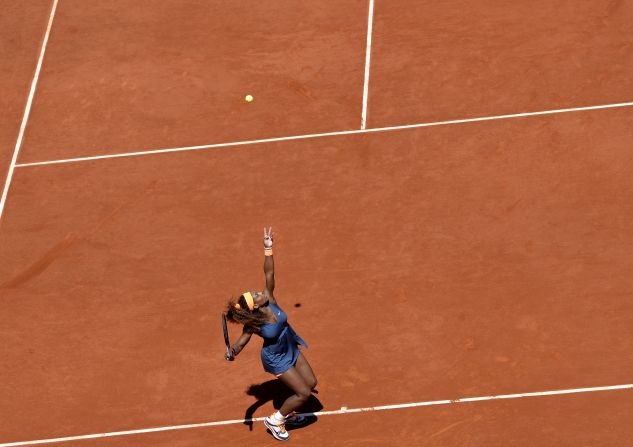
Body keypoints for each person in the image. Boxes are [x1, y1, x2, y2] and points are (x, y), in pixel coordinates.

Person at [224, 227, 317, 441]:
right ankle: (276, 420)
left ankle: (289, 411)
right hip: (276, 358)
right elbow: (240, 344)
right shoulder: (254, 325)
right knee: (303, 394)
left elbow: (269, 273)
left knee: (310, 384)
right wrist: (232, 352)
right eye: (256, 295)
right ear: (255, 306)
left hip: (289, 345)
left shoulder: (270, 298)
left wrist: (268, 249)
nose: (260, 292)